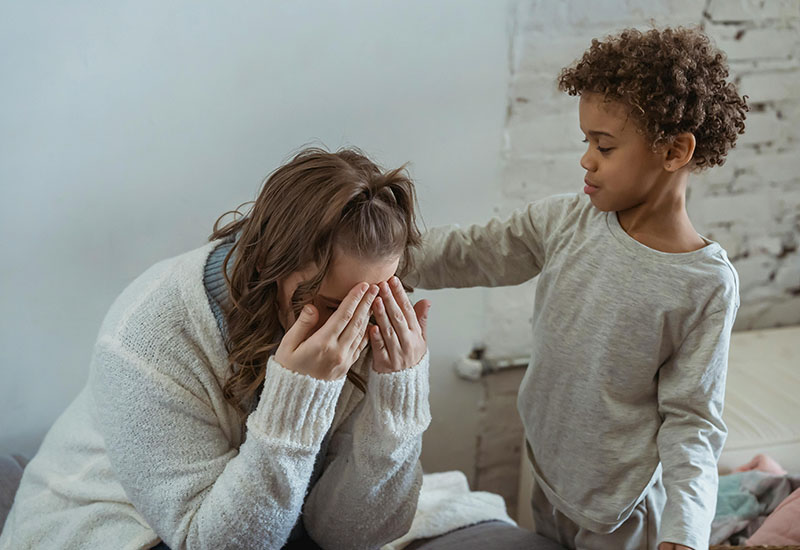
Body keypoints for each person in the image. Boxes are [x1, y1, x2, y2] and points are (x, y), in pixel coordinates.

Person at [405, 27, 747, 550]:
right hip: (548, 474)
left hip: (621, 511)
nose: (587, 160)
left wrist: (684, 531)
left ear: (675, 151)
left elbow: (693, 419)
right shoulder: (567, 220)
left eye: (604, 146)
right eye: (585, 141)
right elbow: (474, 250)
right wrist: (382, 258)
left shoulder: (703, 284)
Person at [0, 147, 432, 550]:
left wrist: (396, 405)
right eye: (335, 305)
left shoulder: (365, 329)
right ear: (270, 262)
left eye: (375, 300)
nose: (356, 324)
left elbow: (347, 536)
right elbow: (215, 543)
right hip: (110, 522)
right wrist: (297, 399)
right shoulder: (148, 334)